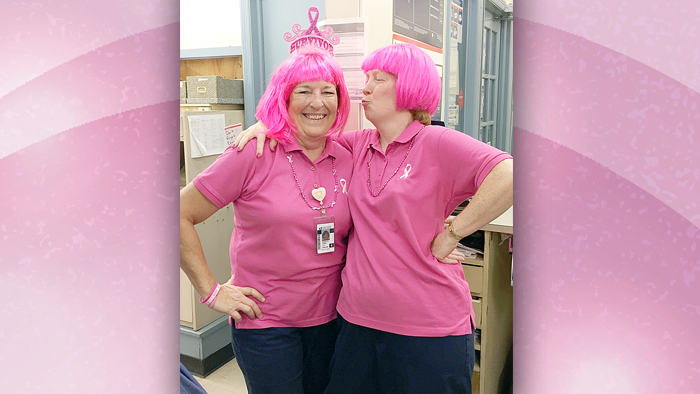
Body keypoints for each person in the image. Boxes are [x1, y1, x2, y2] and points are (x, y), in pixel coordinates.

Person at [235, 43, 513, 394]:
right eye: (366, 78)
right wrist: (267, 123)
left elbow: (509, 174)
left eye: (378, 79)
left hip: (428, 328)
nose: (365, 88)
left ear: (410, 87)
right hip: (357, 323)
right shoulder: (357, 144)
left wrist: (454, 232)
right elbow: (308, 129)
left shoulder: (438, 142)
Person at [179, 49, 353, 394]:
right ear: (284, 98)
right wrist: (212, 292)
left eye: (327, 91)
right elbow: (179, 214)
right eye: (303, 91)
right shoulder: (253, 153)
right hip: (266, 324)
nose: (317, 102)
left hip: (333, 320)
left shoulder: (348, 153)